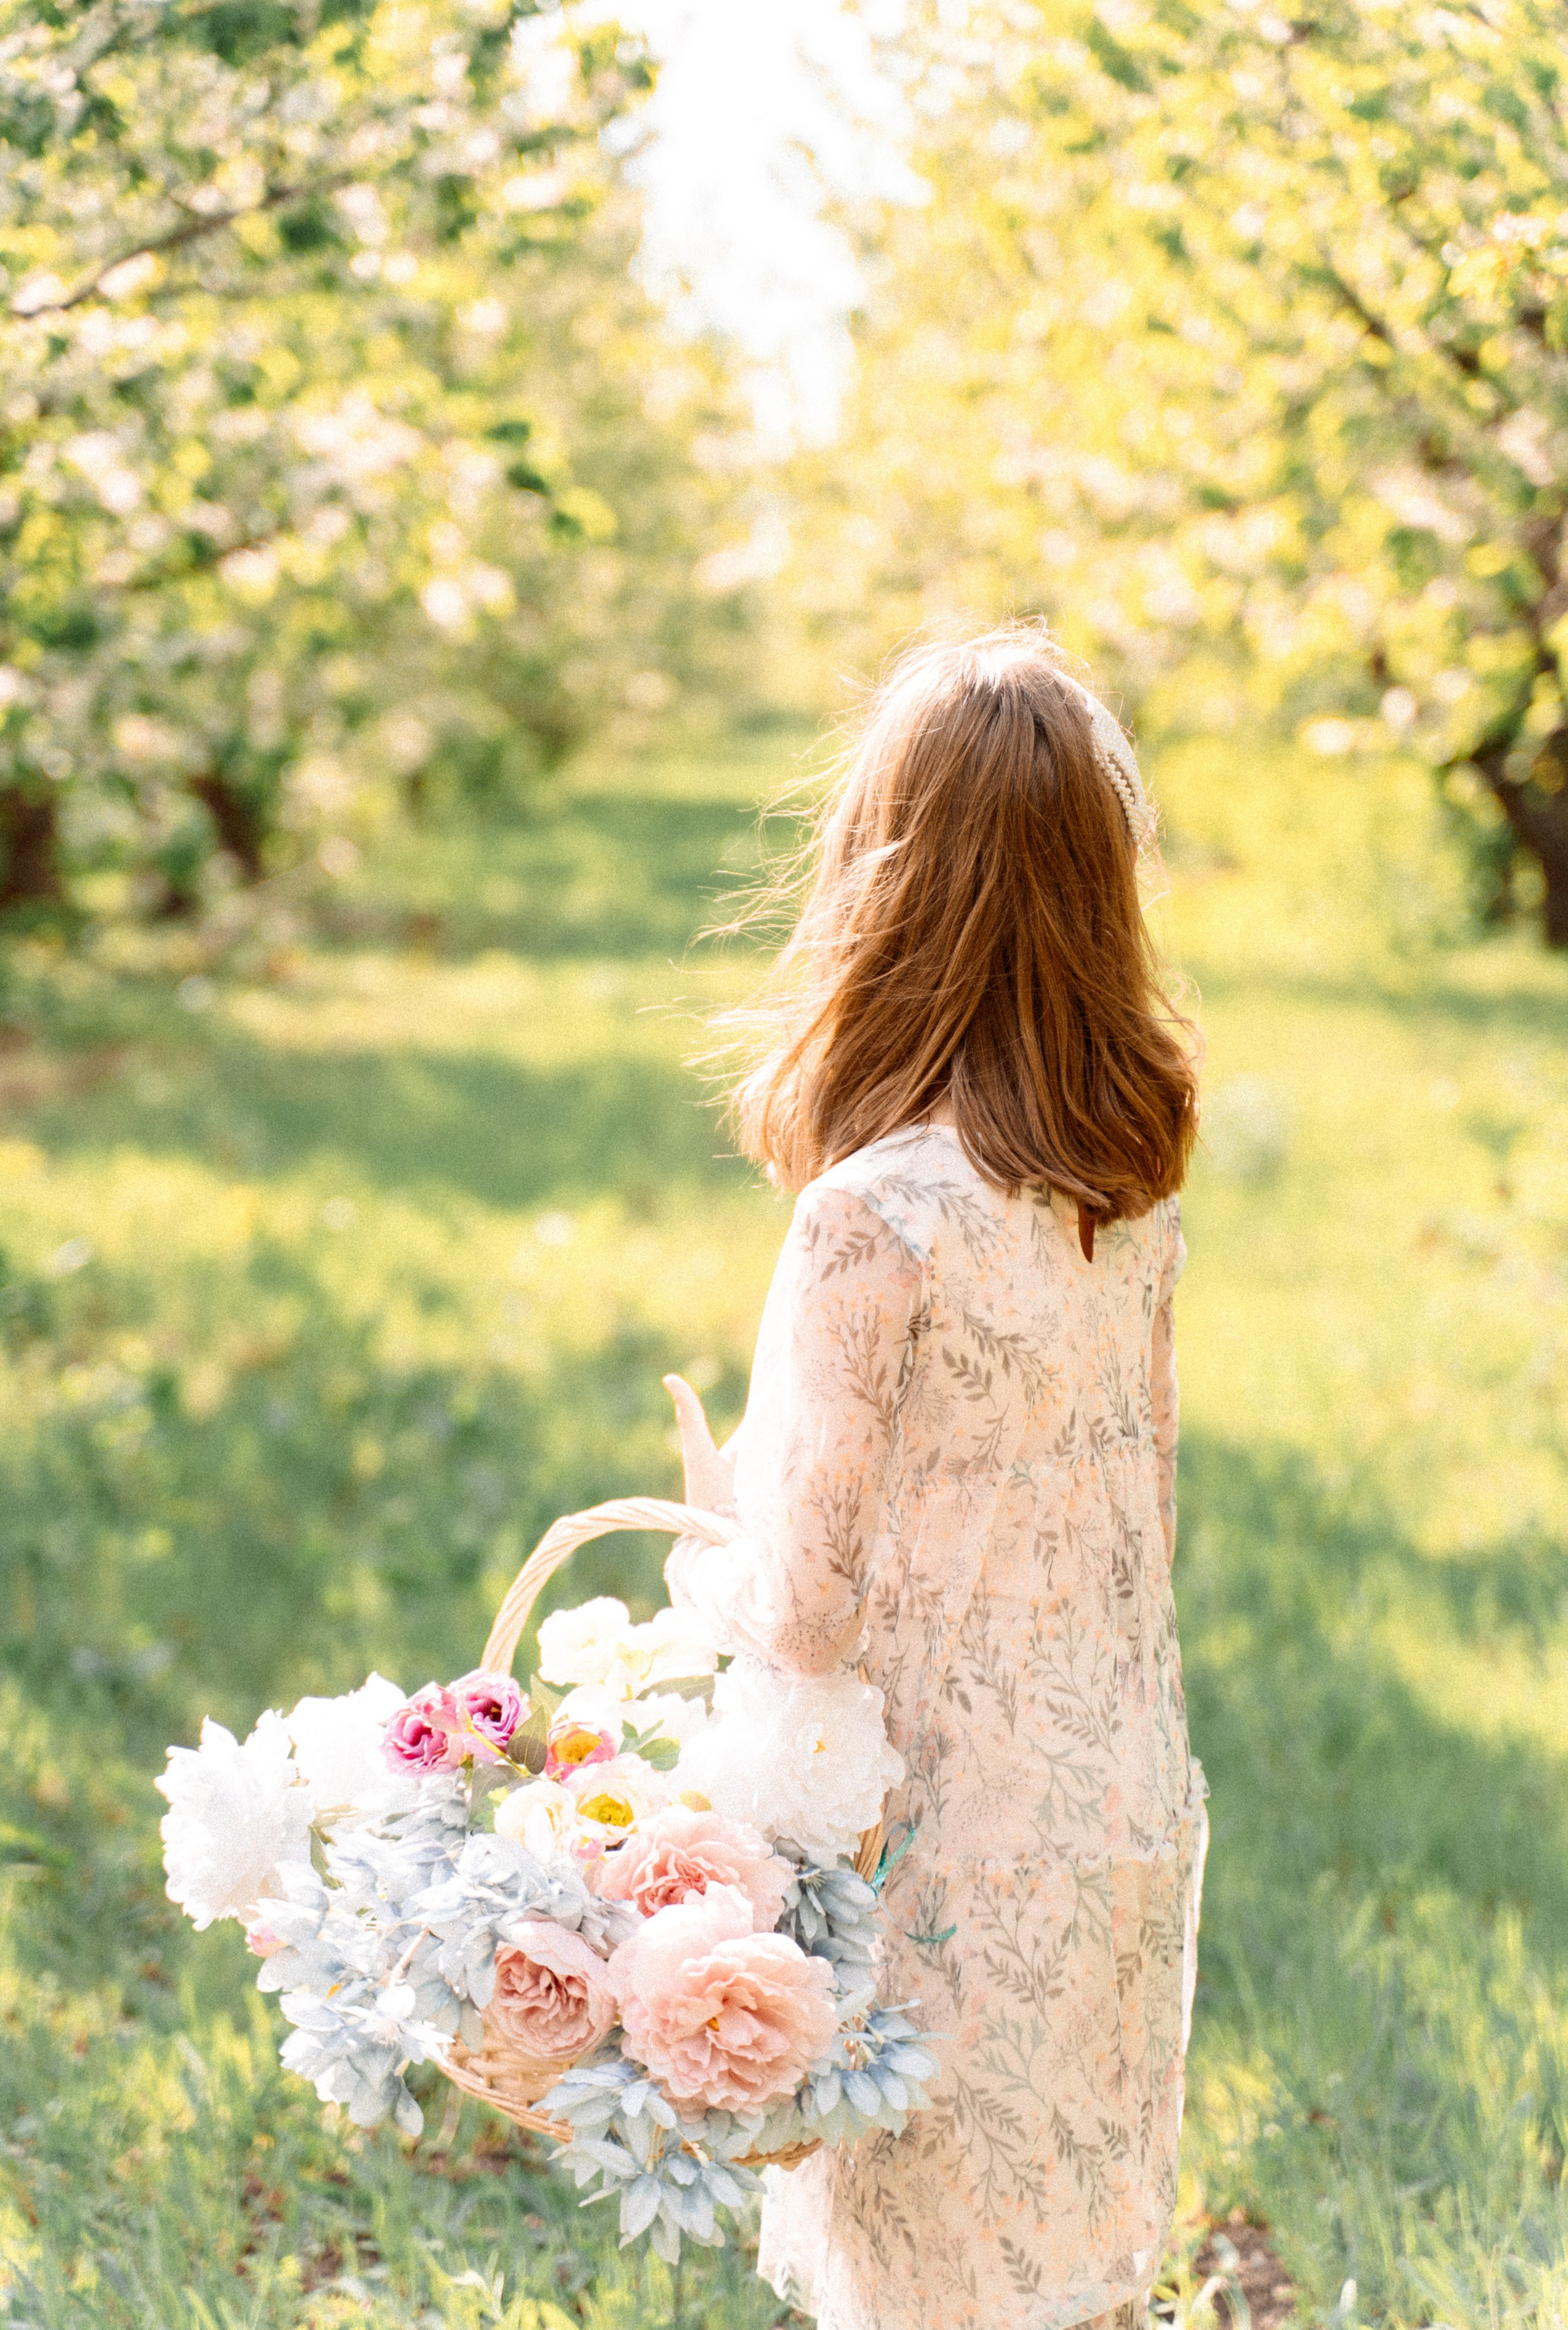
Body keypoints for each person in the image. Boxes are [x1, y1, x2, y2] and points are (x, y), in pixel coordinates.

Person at [660, 625, 1207, 2330]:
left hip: (929, 1846)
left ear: (877, 881)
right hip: (1112, 1800)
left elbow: (808, 1615)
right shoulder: (1122, 1195)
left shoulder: (870, 1220)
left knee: (926, 2284)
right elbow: (1137, 1517)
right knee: (1066, 2264)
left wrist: (712, 1528)